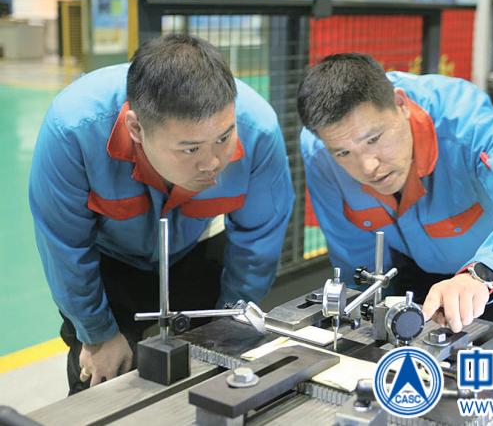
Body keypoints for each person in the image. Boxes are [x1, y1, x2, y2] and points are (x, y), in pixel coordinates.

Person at [29, 34, 294, 394]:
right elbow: (65, 246)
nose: (212, 163)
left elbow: (258, 239)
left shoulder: (258, 128)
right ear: (136, 128)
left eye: (223, 139)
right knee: (100, 380)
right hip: (110, 262)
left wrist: (231, 320)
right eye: (190, 149)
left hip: (195, 250)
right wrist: (97, 334)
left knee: (217, 376)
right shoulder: (74, 130)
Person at [298, 53, 493, 334]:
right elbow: (352, 251)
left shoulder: (468, 123)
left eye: (374, 139)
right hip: (406, 271)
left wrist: (481, 276)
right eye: (344, 153)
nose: (368, 167)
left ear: (401, 104)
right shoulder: (322, 146)